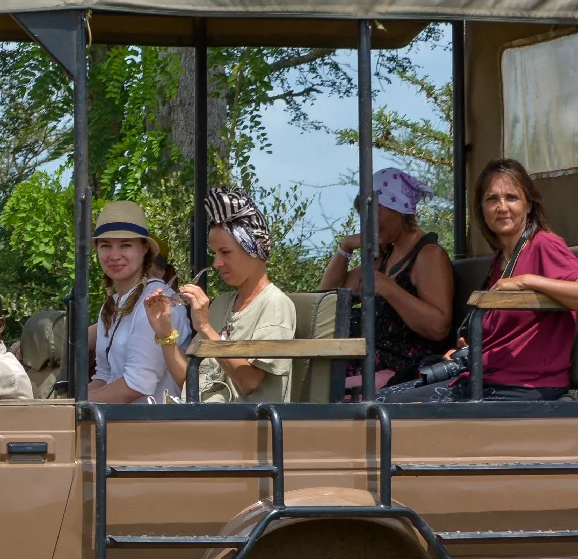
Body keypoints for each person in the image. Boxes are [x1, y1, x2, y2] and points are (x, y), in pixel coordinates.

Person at [148, 187, 296, 402]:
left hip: (248, 428)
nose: (216, 263)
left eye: (225, 252)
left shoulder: (275, 304)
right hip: (207, 422)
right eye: (215, 254)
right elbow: (189, 384)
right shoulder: (222, 303)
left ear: (253, 248)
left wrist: (206, 328)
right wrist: (164, 333)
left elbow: (249, 382)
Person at [318, 167, 455, 383]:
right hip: (369, 362)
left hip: (402, 369)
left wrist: (389, 289)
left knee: (327, 389)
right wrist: (345, 248)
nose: (368, 222)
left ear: (398, 210)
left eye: (375, 213)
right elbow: (326, 299)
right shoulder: (384, 256)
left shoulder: (428, 255)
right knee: (313, 377)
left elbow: (438, 327)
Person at [461, 159, 578, 399]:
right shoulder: (499, 261)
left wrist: (526, 281)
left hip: (528, 386)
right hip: (488, 378)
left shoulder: (544, 244)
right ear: (481, 209)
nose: (501, 207)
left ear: (528, 206)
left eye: (511, 198)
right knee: (392, 397)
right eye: (492, 199)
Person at [88, 201, 188, 404]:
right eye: (106, 245)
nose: (114, 256)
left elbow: (136, 385)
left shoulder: (158, 300)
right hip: (115, 423)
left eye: (126, 245)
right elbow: (104, 375)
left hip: (154, 426)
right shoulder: (111, 305)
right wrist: (62, 405)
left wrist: (75, 405)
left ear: (144, 249)